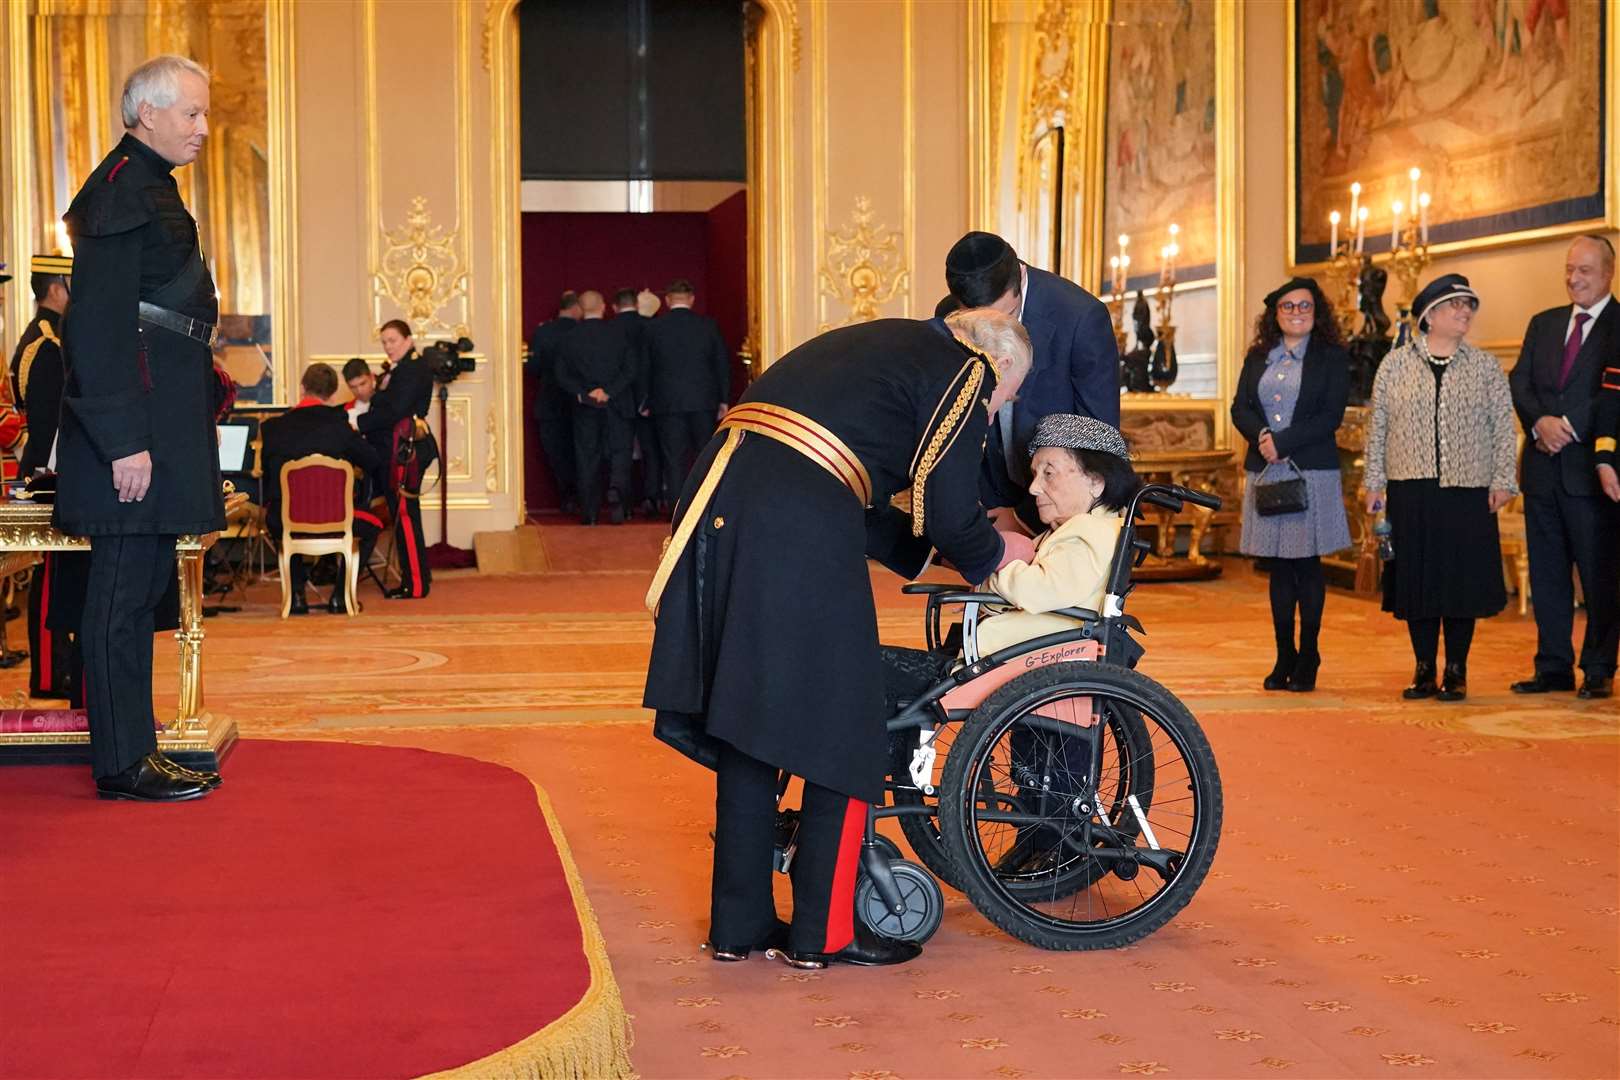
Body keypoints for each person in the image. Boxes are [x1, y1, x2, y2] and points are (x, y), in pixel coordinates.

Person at [644, 310, 1034, 970]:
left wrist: (938, 554)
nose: (993, 412)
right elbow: (945, 509)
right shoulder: (968, 370)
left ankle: (738, 927)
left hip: (728, 500)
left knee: (749, 716)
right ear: (998, 367)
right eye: (1006, 398)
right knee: (850, 720)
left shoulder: (884, 349)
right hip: (795, 525)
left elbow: (848, 483)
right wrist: (998, 555)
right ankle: (826, 931)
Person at [55, 54, 224, 801]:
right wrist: (125, 441)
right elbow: (94, 328)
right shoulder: (122, 191)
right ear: (147, 113)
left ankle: (140, 748)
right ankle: (122, 764)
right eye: (190, 113)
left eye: (205, 113)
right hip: (131, 435)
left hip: (157, 418)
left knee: (143, 587)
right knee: (121, 595)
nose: (202, 128)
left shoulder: (149, 186)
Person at [1363, 274, 1518, 703]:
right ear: (1429, 316)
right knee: (1419, 580)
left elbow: (1504, 428)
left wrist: (1504, 480)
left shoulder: (1485, 366)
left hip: (1468, 488)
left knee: (1460, 581)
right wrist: (1373, 483)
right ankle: (1424, 669)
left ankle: (1456, 670)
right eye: (1455, 305)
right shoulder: (1394, 365)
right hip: (1411, 488)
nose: (1465, 312)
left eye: (1469, 305)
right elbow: (1378, 429)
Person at [935, 232, 1120, 531]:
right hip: (990, 501)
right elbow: (961, 412)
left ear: (1018, 280)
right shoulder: (949, 315)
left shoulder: (1080, 316)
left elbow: (1098, 441)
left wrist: (1021, 518)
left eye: (1005, 315)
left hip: (1066, 511)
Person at [1507, 235, 1618, 700]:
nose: (1574, 278)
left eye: (1585, 271)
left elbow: (1613, 398)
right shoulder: (1544, 323)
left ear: (1608, 273)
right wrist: (1540, 423)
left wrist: (1568, 425)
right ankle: (1552, 665)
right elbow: (1521, 381)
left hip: (1591, 471)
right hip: (1542, 470)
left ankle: (1598, 667)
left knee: (1599, 575)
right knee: (1549, 575)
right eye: (1569, 269)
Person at [1230, 277, 1352, 693]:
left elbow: (1330, 415)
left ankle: (1309, 654)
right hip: (1267, 469)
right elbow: (1240, 406)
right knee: (1279, 568)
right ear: (1275, 313)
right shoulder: (1259, 355)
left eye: (1305, 307)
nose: (1297, 313)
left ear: (1317, 314)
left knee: (1307, 565)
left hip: (1311, 470)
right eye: (1288, 307)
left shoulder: (1331, 357)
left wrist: (1283, 442)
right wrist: (1263, 436)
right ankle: (1284, 654)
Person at [10, 254, 86, 702]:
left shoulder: (45, 337)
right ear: (56, 288)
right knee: (51, 574)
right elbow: (48, 424)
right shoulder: (47, 344)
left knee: (56, 573)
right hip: (46, 474)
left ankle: (58, 669)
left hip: (45, 471)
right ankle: (48, 675)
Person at [260, 363, 383, 615]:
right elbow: (374, 461)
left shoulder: (274, 429)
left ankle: (296, 596)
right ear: (333, 394)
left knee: (280, 514)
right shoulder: (340, 429)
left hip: (286, 520)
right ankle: (340, 596)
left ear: (303, 388)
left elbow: (268, 476)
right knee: (371, 527)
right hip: (337, 519)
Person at [356, 318, 434, 599]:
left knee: (404, 514)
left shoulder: (412, 370)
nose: (388, 347)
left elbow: (395, 411)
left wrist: (359, 423)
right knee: (403, 514)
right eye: (384, 342)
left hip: (404, 451)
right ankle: (418, 578)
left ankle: (414, 584)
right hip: (398, 449)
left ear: (408, 340)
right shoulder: (406, 368)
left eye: (393, 341)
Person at [644, 278, 731, 516]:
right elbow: (721, 365)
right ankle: (704, 511)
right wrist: (724, 400)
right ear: (691, 300)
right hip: (703, 402)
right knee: (705, 455)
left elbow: (645, 368)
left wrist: (646, 400)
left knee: (673, 459)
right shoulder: (708, 326)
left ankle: (677, 512)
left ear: (667, 300)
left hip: (666, 402)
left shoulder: (654, 328)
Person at [555, 290, 636, 525]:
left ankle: (589, 512)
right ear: (603, 306)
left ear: (580, 309)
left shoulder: (569, 337)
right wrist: (608, 390)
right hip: (617, 404)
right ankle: (617, 493)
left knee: (587, 457)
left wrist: (584, 392)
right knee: (620, 453)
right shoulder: (619, 334)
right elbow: (631, 369)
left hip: (585, 407)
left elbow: (561, 374)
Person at [526, 292, 581, 512]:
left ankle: (567, 495)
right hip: (578, 403)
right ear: (576, 308)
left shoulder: (543, 332)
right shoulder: (580, 331)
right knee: (582, 453)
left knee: (556, 454)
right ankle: (581, 496)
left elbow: (533, 367)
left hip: (548, 402)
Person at [613, 286, 660, 515]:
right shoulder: (652, 328)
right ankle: (651, 497)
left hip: (617, 400)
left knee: (620, 451)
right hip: (648, 399)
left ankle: (624, 502)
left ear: (613, 306)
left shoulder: (609, 328)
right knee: (651, 451)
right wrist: (647, 398)